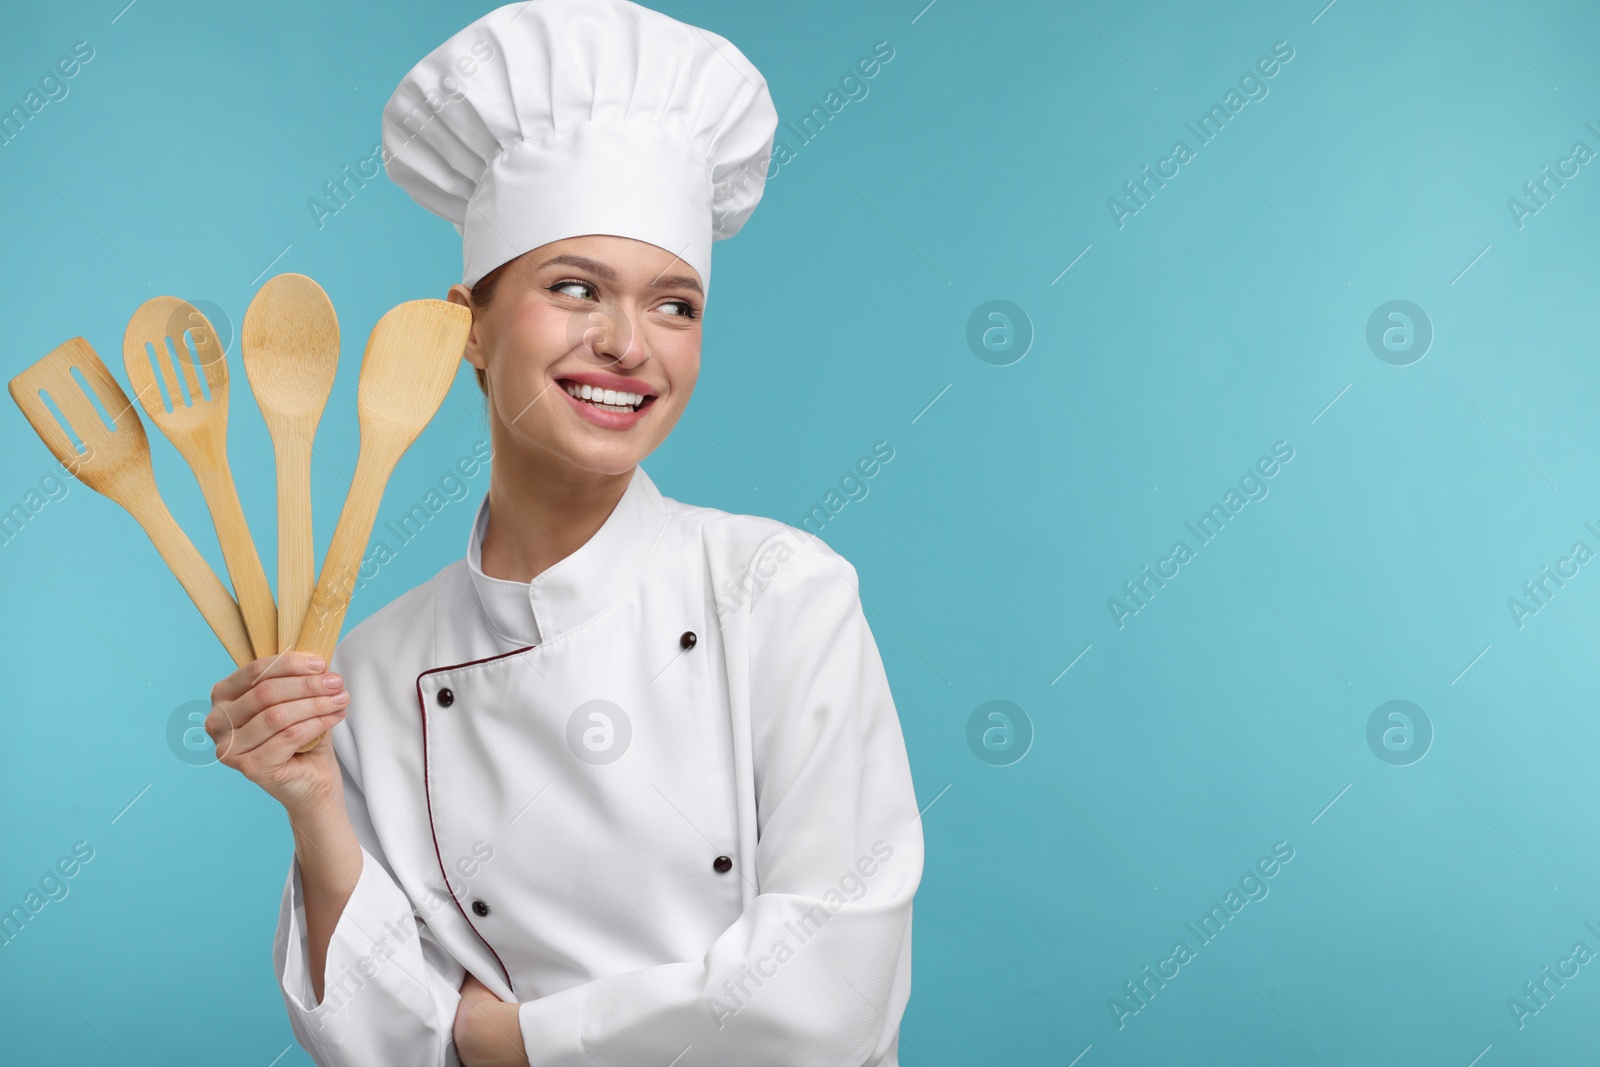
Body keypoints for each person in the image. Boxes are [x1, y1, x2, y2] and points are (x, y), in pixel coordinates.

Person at [204, 2, 924, 1064]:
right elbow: (385, 1041)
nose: (628, 344)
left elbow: (828, 987)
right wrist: (312, 801)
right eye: (575, 287)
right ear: (470, 329)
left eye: (675, 304)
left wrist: (520, 1039)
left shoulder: (778, 590)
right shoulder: (377, 665)